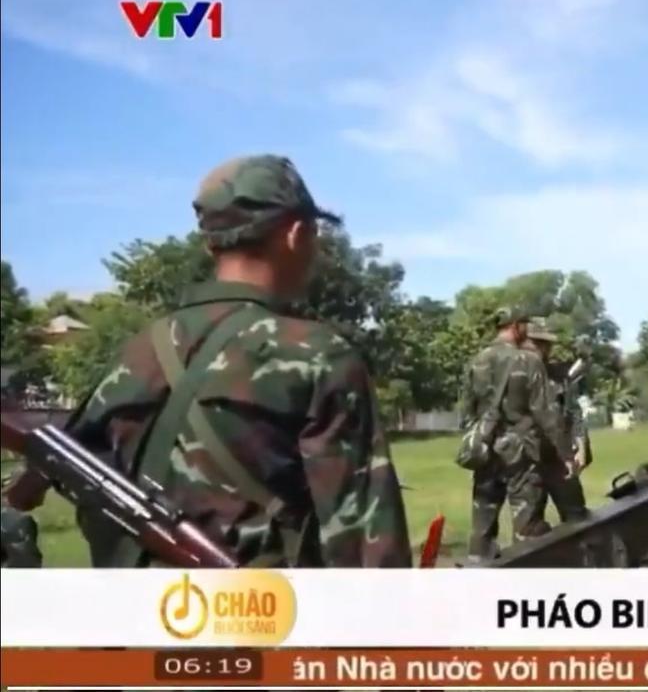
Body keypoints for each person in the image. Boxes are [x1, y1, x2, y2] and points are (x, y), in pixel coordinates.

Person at [65, 154, 412, 568]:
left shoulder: (138, 349)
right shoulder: (319, 355)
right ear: (296, 234)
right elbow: (365, 539)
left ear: (209, 242)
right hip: (268, 606)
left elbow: (77, 468)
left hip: (138, 605)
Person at [462, 307, 570, 561]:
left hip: (486, 452)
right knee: (527, 529)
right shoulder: (528, 361)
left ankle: (477, 570)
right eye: (524, 324)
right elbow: (546, 414)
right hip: (521, 457)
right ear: (515, 326)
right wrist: (566, 454)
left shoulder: (477, 360)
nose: (527, 330)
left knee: (481, 527)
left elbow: (466, 412)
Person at [524, 318, 589, 525]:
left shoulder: (560, 376)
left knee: (577, 517)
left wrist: (581, 446)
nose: (542, 348)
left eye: (546, 343)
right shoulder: (513, 376)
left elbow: (575, 412)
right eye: (536, 342)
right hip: (527, 461)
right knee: (529, 525)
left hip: (560, 459)